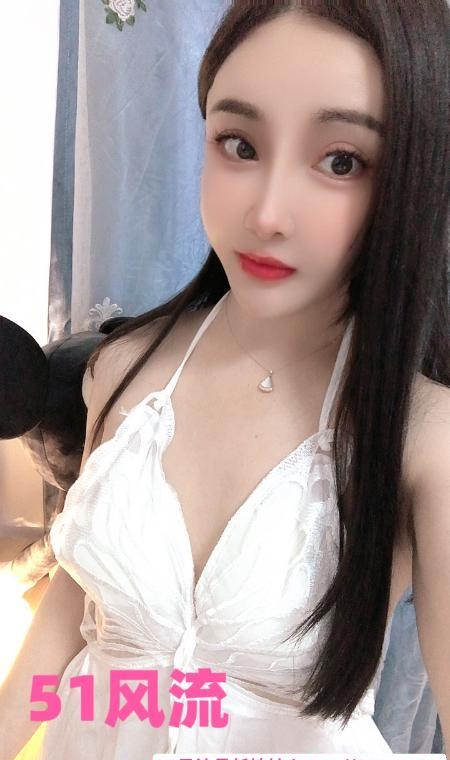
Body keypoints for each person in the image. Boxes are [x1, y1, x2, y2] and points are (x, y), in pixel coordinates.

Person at [1, 1, 449, 757]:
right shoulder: (122, 369)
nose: (267, 213)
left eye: (341, 161)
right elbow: (83, 609)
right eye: (240, 144)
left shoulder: (422, 437)